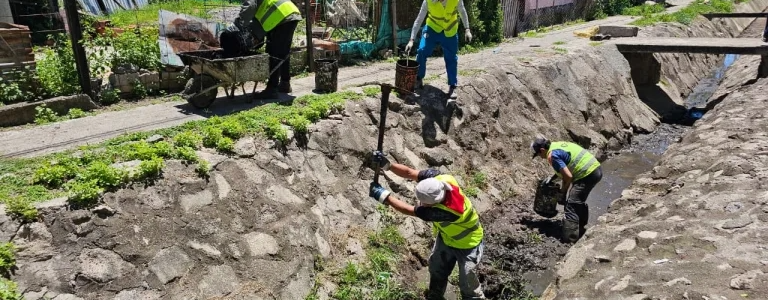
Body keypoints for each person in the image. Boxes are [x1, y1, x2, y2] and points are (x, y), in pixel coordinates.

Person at [369, 151, 486, 300]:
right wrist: (387, 165)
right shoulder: (441, 179)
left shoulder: (446, 212)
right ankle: (435, 296)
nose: (420, 204)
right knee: (436, 269)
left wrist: (382, 195)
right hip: (447, 238)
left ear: (433, 203)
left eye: (423, 203)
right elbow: (410, 172)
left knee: (467, 283)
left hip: (469, 245)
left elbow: (407, 209)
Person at [530, 137, 603, 243]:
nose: (540, 158)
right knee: (577, 200)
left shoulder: (552, 156)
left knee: (571, 204)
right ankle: (581, 229)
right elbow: (566, 165)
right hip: (595, 168)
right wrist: (553, 177)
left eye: (538, 155)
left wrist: (562, 192)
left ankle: (570, 239)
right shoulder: (556, 145)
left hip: (588, 174)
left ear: (542, 150)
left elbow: (568, 177)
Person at [229, 0, 302, 99]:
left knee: (273, 53)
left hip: (282, 17)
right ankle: (285, 83)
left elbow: (249, 7)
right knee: (283, 52)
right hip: (289, 13)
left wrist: (238, 25)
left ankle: (272, 89)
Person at [405, 0, 473, 101]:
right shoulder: (428, 1)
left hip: (450, 31)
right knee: (422, 50)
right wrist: (411, 40)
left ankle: (452, 86)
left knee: (451, 58)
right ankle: (418, 78)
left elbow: (462, 11)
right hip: (432, 29)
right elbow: (419, 20)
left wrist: (467, 29)